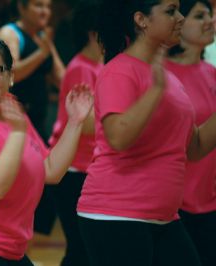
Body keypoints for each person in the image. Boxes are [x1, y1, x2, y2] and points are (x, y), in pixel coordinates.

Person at [76, 0, 216, 265]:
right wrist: (154, 91)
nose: (181, 18)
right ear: (141, 20)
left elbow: (194, 147)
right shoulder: (119, 70)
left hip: (162, 217)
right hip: (116, 216)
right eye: (170, 10)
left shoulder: (167, 78)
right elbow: (118, 138)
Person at [0, 36, 93, 266]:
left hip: (9, 250)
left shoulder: (12, 111)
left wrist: (75, 122)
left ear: (10, 76)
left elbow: (50, 170)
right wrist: (18, 133)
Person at [48, 0, 103, 265]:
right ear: (94, 33)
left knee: (88, 249)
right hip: (73, 171)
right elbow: (88, 124)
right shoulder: (82, 67)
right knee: (80, 250)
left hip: (87, 168)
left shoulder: (99, 65)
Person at [166, 1, 216, 265]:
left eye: (210, 14)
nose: (210, 21)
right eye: (200, 15)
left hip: (210, 199)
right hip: (175, 204)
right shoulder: (161, 75)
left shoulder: (212, 73)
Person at [0, 0, 65, 140]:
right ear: (22, 7)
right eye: (39, 5)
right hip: (12, 121)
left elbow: (62, 79)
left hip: (38, 122)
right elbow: (10, 74)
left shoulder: (42, 37)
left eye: (48, 7)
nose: (45, 12)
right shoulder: (9, 33)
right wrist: (42, 53)